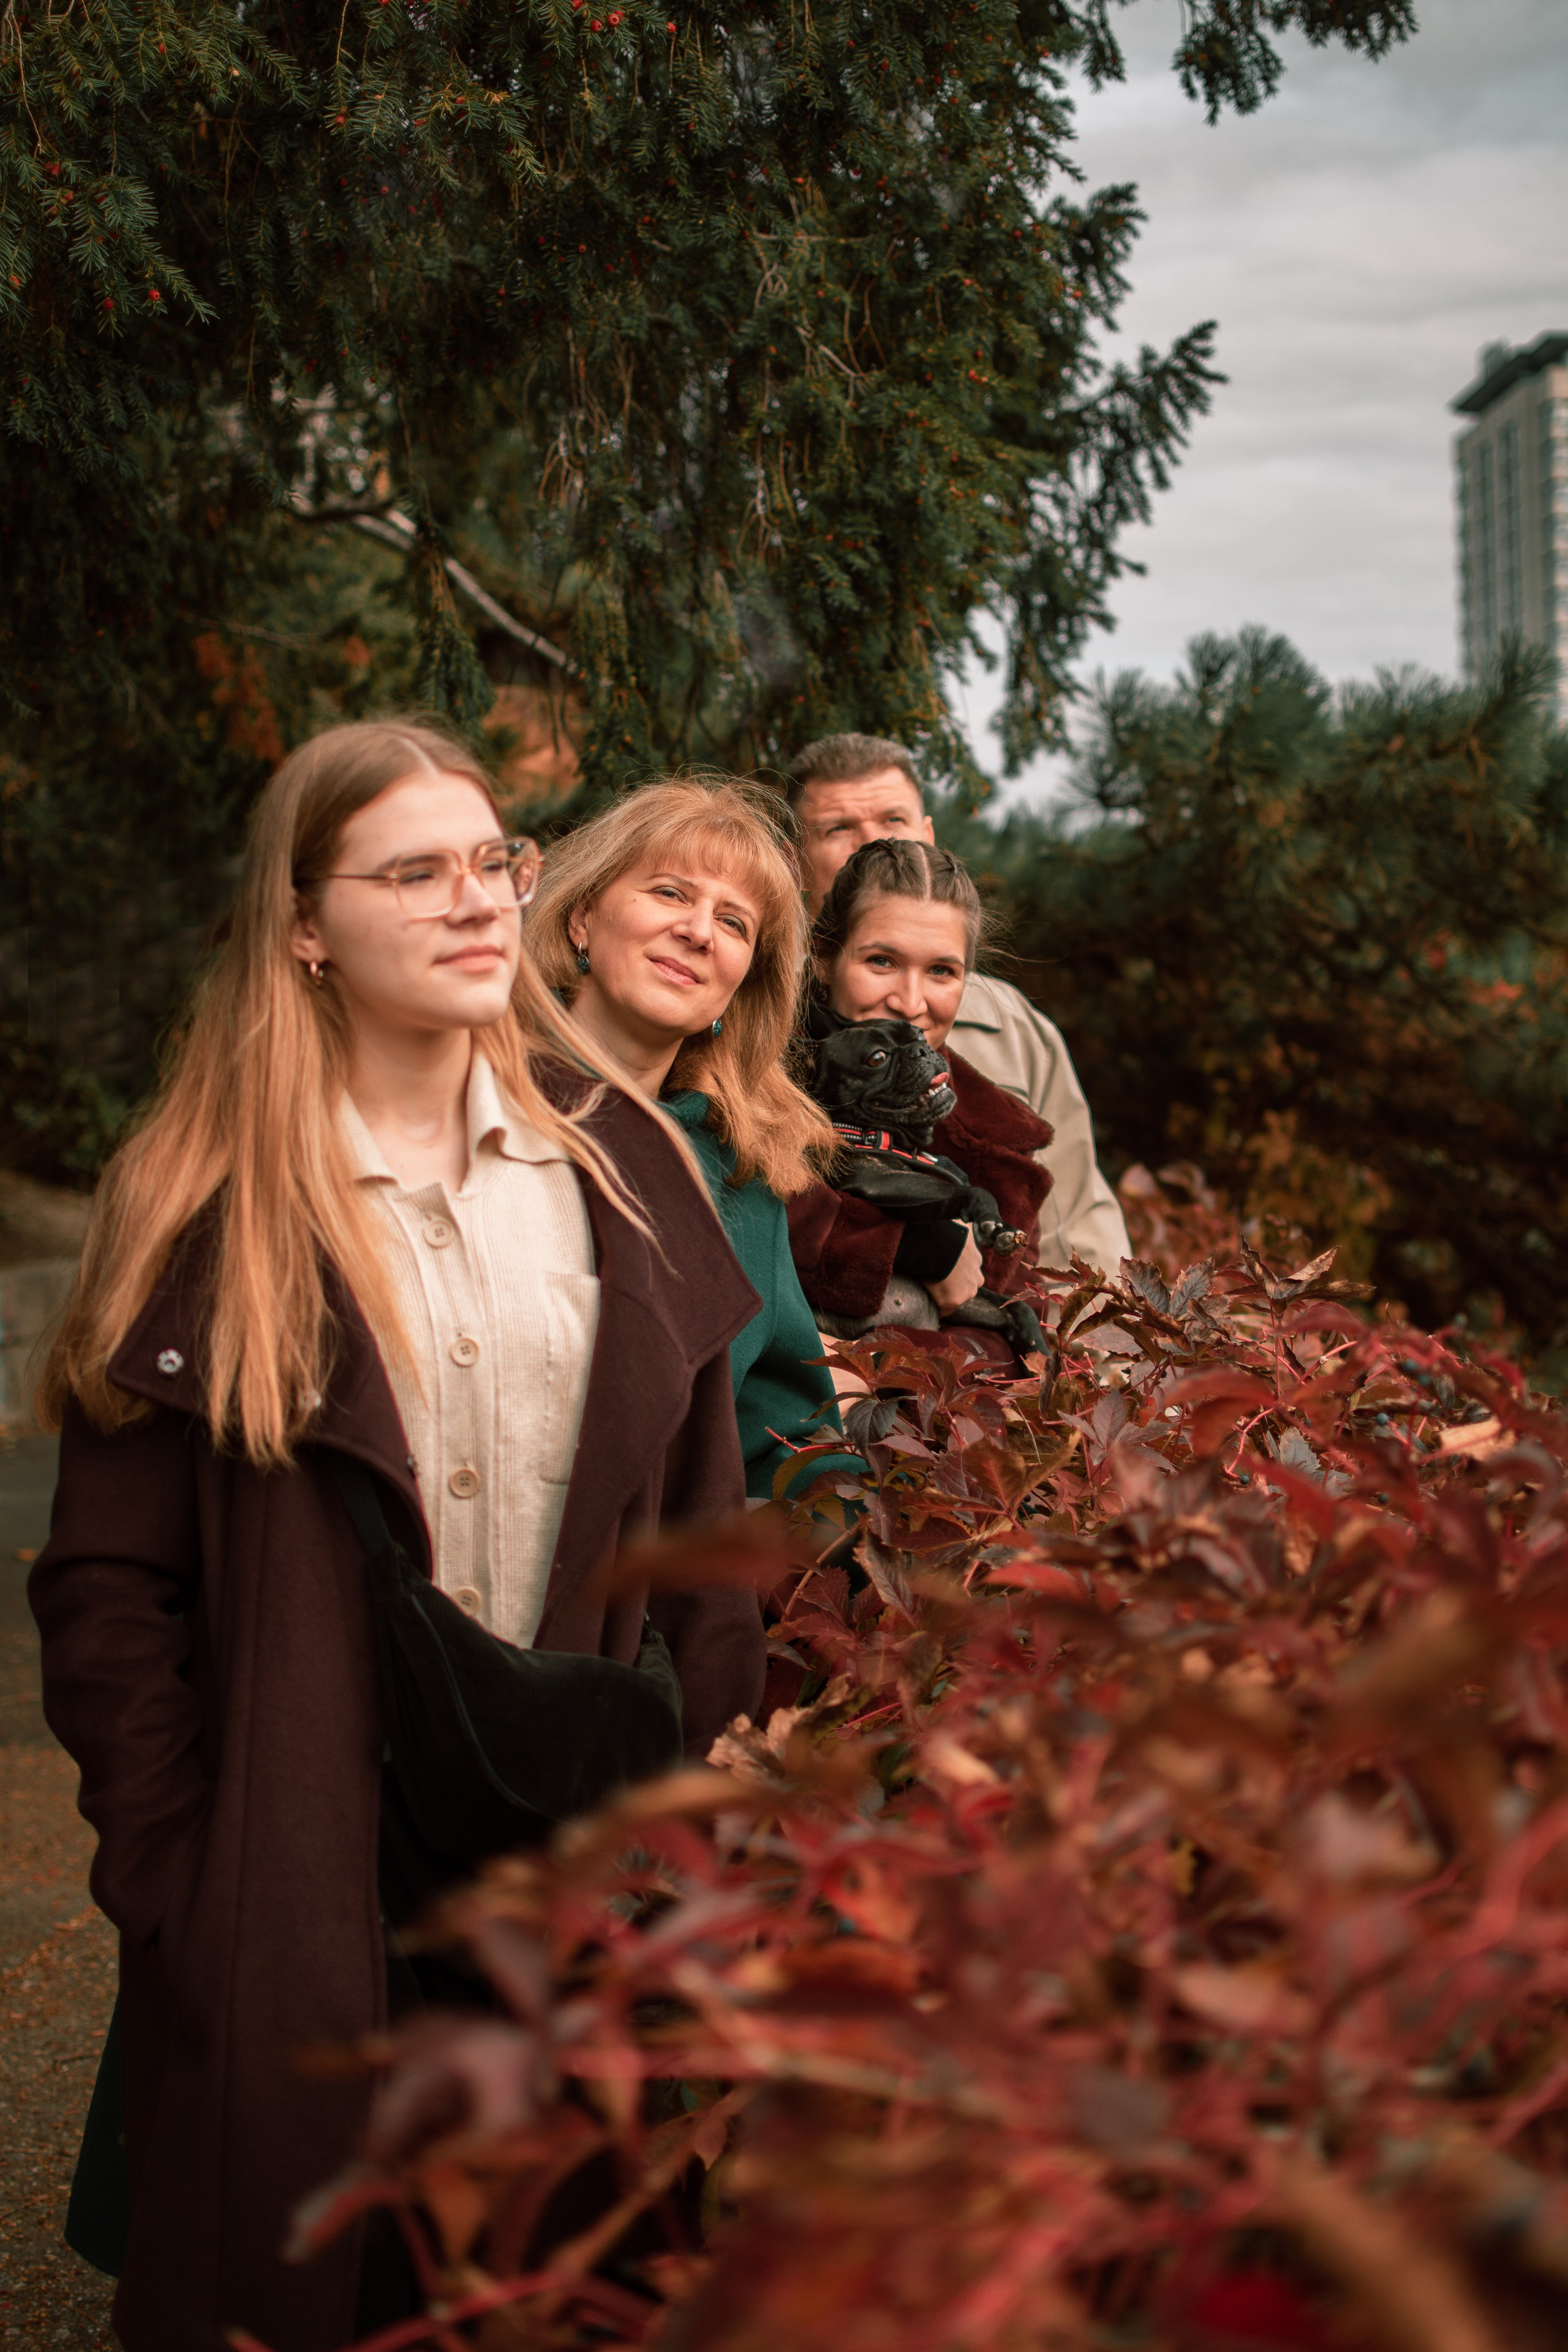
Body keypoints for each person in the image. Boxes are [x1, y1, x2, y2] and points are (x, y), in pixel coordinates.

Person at [28, 720, 764, 2352]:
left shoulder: (623, 1164)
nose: (475, 900)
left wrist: (693, 1822)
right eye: (412, 872)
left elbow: (709, 1534)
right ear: (306, 925)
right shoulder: (212, 1198)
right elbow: (108, 1589)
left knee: (557, 2282)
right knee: (310, 2289)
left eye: (492, 860)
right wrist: (179, 1875)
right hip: (302, 1875)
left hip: (576, 1868)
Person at [526, 775, 859, 1504]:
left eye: (734, 923)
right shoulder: (472, 1096)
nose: (699, 931)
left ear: (739, 986)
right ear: (583, 918)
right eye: (671, 893)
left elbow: (793, 1447)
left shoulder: (742, 1181)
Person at [784, 731, 1131, 1277]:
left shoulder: (1013, 1027)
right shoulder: (758, 1020)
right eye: (838, 829)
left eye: (893, 823)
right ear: (795, 858)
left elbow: (1081, 1224)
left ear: (928, 836)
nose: (873, 847)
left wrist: (1085, 1354)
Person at [787, 838, 1054, 1366]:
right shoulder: (743, 1082)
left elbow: (1014, 1343)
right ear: (823, 959)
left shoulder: (999, 1139)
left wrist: (895, 1371)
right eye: (882, 961)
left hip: (936, 1436)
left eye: (941, 972)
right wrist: (912, 1246)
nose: (910, 1003)